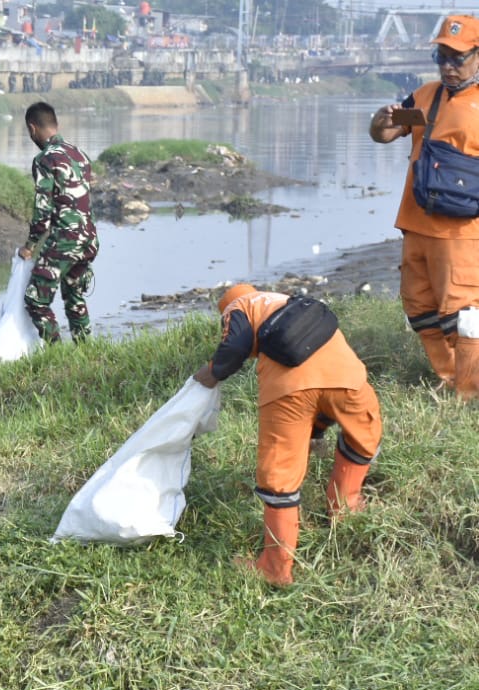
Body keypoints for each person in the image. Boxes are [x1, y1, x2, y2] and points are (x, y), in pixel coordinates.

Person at [192, 285, 382, 587]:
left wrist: (213, 372)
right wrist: (315, 431)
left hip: (289, 389)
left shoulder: (238, 306)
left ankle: (275, 568)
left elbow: (235, 346)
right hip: (346, 376)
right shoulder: (287, 300)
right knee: (364, 435)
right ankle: (344, 507)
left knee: (279, 475)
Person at [369, 14, 479, 395]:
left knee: (461, 313)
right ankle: (449, 378)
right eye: (442, 57)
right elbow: (384, 135)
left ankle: (468, 392)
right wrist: (379, 121)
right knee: (420, 308)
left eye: (458, 57)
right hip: (416, 222)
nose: (449, 66)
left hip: (462, 230)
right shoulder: (424, 95)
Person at [18, 101, 98, 345]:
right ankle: (87, 353)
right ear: (55, 124)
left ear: (32, 129)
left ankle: (56, 353)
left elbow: (43, 210)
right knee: (73, 295)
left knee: (36, 300)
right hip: (90, 240)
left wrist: (30, 245)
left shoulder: (45, 159)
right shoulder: (79, 154)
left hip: (66, 240)